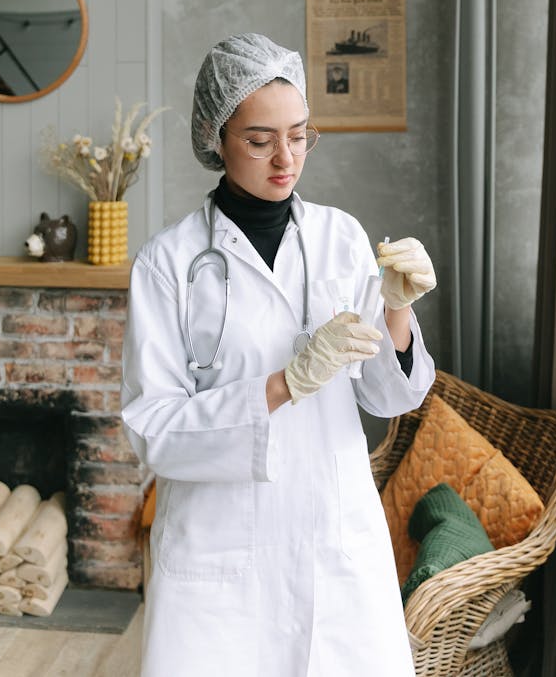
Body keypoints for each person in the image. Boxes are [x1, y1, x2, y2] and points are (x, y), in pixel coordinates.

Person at [121, 33, 437, 677]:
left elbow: (388, 394)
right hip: (219, 550)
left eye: (299, 135)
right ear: (216, 138)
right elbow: (152, 430)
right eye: (260, 140)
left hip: (332, 534)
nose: (285, 158)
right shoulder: (169, 262)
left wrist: (398, 309)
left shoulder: (341, 238)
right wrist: (285, 383)